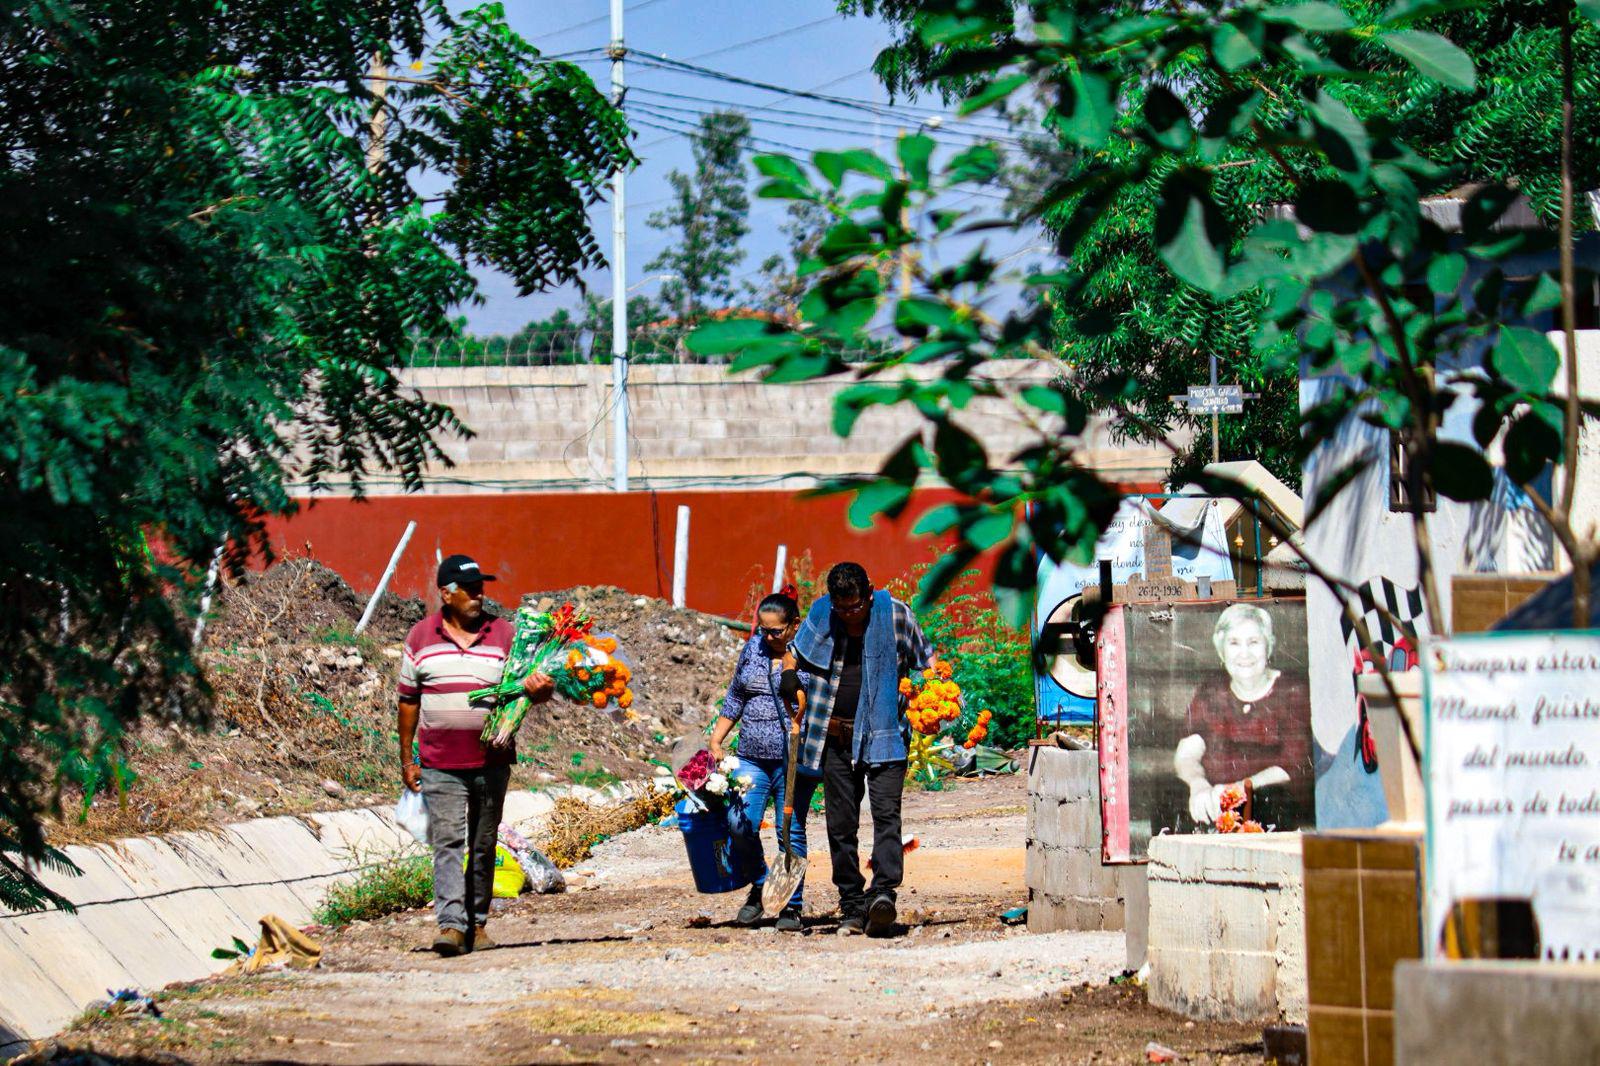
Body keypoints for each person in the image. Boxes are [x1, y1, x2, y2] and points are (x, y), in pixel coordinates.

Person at [397, 554, 554, 957]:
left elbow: (533, 688)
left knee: (483, 844)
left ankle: (478, 924)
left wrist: (540, 691)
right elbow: (408, 701)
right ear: (446, 593)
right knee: (448, 843)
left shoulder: (505, 635)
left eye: (481, 588)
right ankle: (451, 926)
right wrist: (406, 759)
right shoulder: (420, 638)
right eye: (469, 590)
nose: (478, 596)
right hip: (439, 764)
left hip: (492, 761)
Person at [786, 562, 934, 937]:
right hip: (833, 737)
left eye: (856, 607)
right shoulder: (822, 617)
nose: (850, 615)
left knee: (887, 816)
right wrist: (790, 678)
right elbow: (793, 654)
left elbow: (928, 664)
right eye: (842, 608)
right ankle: (852, 904)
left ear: (870, 594)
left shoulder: (897, 615)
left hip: (885, 735)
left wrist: (930, 696)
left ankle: (882, 894)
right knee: (840, 825)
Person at [709, 592, 817, 932]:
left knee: (791, 832)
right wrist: (717, 738)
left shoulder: (810, 654)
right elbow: (736, 695)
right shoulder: (753, 648)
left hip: (792, 760)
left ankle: (791, 907)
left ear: (794, 626)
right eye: (764, 630)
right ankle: (760, 885)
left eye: (776, 631)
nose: (768, 637)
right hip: (751, 757)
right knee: (740, 823)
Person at [1173, 602, 1314, 830]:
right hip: (1216, 809)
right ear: (1222, 651)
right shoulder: (1211, 692)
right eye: (1234, 643)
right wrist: (1198, 785)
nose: (1244, 654)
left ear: (1268, 647)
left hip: (1275, 814)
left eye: (1254, 642)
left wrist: (1236, 791)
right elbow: (1186, 755)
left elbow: (1293, 766)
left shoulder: (1293, 692)